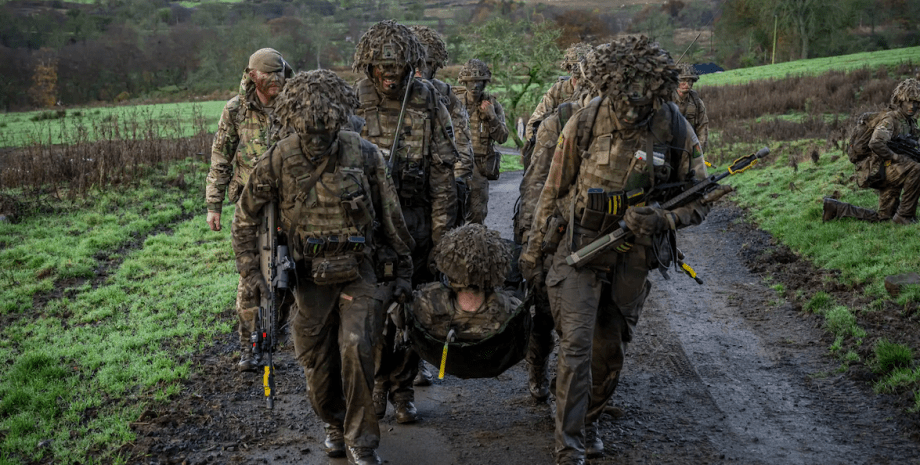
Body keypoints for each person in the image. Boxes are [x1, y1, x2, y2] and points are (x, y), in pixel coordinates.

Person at [518, 36, 712, 465]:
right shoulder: (582, 122)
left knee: (609, 349)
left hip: (634, 255)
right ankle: (567, 443)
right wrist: (533, 252)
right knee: (575, 344)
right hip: (580, 247)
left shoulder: (675, 126)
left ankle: (588, 420)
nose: (631, 108)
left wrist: (664, 218)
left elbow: (701, 198)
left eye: (642, 99)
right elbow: (551, 191)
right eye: (623, 96)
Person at [231, 69, 414, 465]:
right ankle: (333, 422)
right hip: (308, 277)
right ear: (295, 121)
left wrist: (403, 272)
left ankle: (361, 441)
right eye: (309, 130)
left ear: (338, 121)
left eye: (324, 130)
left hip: (360, 271)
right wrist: (251, 273)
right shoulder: (280, 157)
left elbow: (391, 216)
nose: (316, 139)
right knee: (317, 363)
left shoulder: (363, 153)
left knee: (356, 346)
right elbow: (245, 217)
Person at [351, 19, 459, 424]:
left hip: (416, 218)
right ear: (369, 66)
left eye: (396, 68)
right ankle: (379, 383)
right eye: (382, 68)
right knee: (375, 312)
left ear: (411, 65)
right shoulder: (354, 100)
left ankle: (403, 388)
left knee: (417, 308)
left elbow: (443, 172)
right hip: (372, 225)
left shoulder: (428, 99)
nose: (389, 75)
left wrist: (441, 233)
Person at [513, 44, 601, 403]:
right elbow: (536, 183)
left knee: (590, 324)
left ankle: (581, 395)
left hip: (599, 234)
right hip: (557, 228)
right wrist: (531, 238)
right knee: (545, 310)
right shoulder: (561, 112)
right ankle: (538, 368)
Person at [205, 48, 292, 372]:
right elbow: (221, 157)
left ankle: (278, 337)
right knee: (250, 277)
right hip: (250, 205)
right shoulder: (236, 110)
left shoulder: (294, 104)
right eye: (269, 76)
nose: (276, 82)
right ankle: (248, 346)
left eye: (280, 74)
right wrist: (213, 205)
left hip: (290, 204)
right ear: (253, 76)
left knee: (287, 274)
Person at [408, 24, 475, 385]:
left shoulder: (445, 97)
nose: (420, 71)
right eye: (416, 63)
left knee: (431, 278)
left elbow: (462, 152)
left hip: (436, 198)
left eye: (427, 64)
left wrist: (448, 185)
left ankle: (426, 352)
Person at [823, 78, 920, 224]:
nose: (912, 106)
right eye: (908, 101)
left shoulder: (910, 122)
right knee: (916, 169)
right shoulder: (891, 119)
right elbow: (875, 143)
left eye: (916, 102)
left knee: (884, 218)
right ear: (900, 100)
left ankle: (834, 208)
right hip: (880, 169)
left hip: (890, 170)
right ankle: (905, 216)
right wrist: (895, 157)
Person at [454, 58, 509, 224]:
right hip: (455, 163)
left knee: (477, 214)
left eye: (479, 82)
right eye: (471, 82)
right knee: (452, 211)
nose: (475, 87)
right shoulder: (453, 102)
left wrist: (491, 116)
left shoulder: (492, 104)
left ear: (485, 83)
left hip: (480, 165)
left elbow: (502, 137)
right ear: (464, 82)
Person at [524, 43, 593, 143]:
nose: (580, 78)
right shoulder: (559, 89)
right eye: (576, 72)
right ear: (569, 70)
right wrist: (533, 138)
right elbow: (536, 118)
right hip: (559, 141)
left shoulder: (593, 90)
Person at [675, 63, 709, 151]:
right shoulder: (665, 100)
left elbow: (702, 128)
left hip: (688, 148)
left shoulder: (696, 102)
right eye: (683, 80)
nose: (687, 84)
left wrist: (698, 151)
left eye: (690, 81)